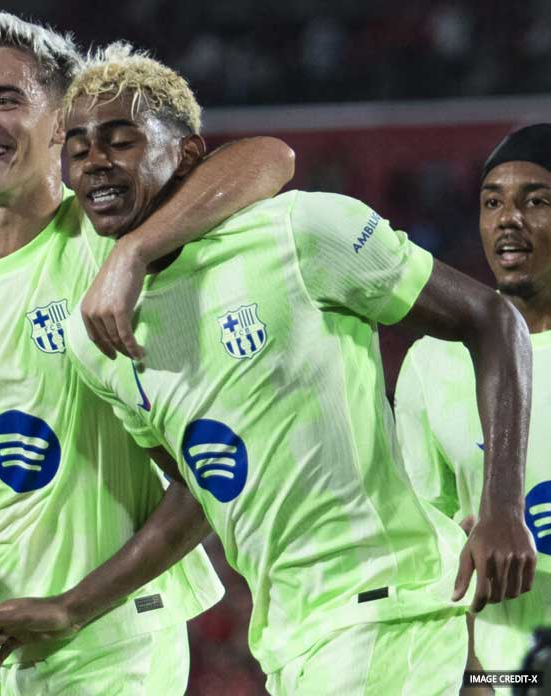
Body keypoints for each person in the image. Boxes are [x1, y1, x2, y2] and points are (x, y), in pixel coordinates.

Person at [58, 43, 537, 695]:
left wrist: (501, 506)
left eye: (121, 141)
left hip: (386, 611)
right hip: (290, 643)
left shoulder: (298, 232)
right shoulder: (96, 339)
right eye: (78, 149)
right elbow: (201, 491)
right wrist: (72, 608)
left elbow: (493, 319)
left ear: (189, 154)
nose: (95, 161)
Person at [0, 12, 295, 696]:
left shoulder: (110, 230)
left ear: (60, 123)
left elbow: (270, 158)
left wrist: (134, 253)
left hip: (119, 631)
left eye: (6, 99)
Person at [395, 124, 551, 676]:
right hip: (505, 670)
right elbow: (425, 545)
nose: (509, 218)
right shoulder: (431, 362)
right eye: (492, 203)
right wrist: (471, 673)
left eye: (536, 201)